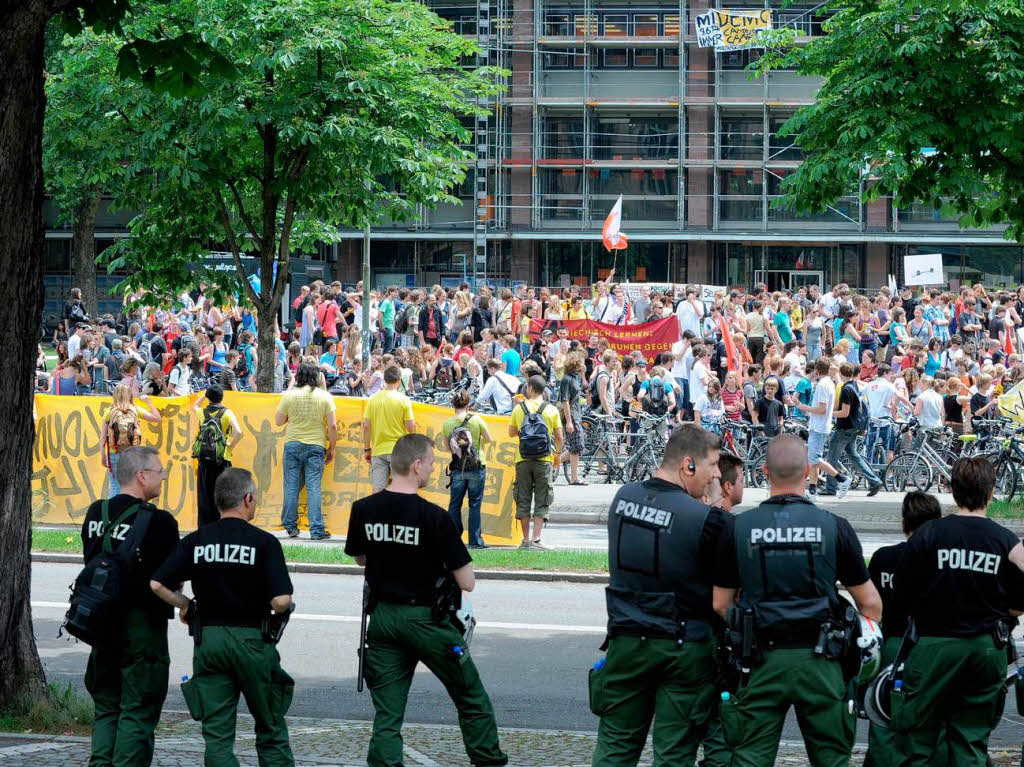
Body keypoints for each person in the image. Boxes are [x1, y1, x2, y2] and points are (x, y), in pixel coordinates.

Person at [712, 434, 882, 767]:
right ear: (808, 471)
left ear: (764, 471)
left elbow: (721, 603)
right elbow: (871, 605)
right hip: (822, 661)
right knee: (832, 758)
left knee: (748, 757)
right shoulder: (835, 527)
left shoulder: (738, 528)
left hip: (759, 659)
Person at [344, 434, 508, 767]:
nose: (434, 468)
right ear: (417, 466)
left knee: (388, 713)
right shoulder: (435, 518)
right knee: (470, 695)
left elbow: (361, 559)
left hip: (383, 620)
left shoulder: (363, 509)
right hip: (428, 621)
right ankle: (487, 759)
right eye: (432, 462)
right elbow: (468, 582)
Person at [590, 424, 727, 767]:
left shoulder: (623, 498)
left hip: (626, 642)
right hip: (682, 647)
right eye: (712, 466)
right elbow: (723, 594)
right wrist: (717, 503)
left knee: (615, 747)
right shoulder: (708, 519)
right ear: (688, 465)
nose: (715, 476)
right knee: (674, 752)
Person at [150, 468, 295, 767]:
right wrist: (277, 607)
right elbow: (282, 601)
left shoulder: (197, 540)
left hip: (210, 643)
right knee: (270, 726)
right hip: (253, 642)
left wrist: (186, 605)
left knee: (216, 734)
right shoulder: (264, 542)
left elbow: (157, 584)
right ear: (247, 498)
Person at [891, 458, 1024, 766]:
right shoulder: (1003, 539)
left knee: (917, 739)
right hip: (986, 648)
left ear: (952, 491)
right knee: (971, 738)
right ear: (992, 494)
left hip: (934, 644)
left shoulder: (930, 534)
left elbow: (902, 589)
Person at [80, 446, 181, 766]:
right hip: (143, 628)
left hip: (101, 624)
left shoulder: (97, 512)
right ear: (142, 476)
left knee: (107, 707)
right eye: (159, 472)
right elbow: (171, 581)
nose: (163, 478)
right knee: (138, 710)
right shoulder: (161, 522)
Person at [862, 491, 942, 767]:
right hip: (931, 646)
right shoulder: (941, 561)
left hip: (892, 645)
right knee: (930, 721)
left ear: (904, 522)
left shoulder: (884, 558)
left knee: (883, 716)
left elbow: (869, 606)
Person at [275, 361, 336, 540]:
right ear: (317, 377)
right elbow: (332, 425)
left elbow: (278, 421)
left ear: (298, 376)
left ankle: (290, 526)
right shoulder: (325, 397)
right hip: (316, 445)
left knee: (291, 487)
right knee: (314, 488)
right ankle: (317, 530)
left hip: (292, 444)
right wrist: (331, 447)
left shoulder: (290, 396)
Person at [509, 375, 563, 549]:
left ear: (530, 388)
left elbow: (511, 432)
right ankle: (537, 539)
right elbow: (560, 437)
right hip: (544, 459)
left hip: (522, 459)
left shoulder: (519, 409)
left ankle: (525, 540)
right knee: (542, 497)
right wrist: (558, 456)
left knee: (523, 497)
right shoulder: (551, 409)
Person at [823, 363, 883, 496]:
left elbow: (844, 412)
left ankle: (831, 488)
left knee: (832, 457)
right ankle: (874, 481)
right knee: (854, 456)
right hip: (853, 428)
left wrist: (828, 413)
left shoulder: (846, 390)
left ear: (841, 373)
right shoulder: (854, 385)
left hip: (844, 428)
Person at [796, 357, 851, 500]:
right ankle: (813, 491)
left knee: (814, 459)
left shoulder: (822, 385)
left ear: (816, 370)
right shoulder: (828, 383)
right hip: (819, 426)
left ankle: (842, 479)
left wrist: (805, 407)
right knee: (814, 460)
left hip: (819, 427)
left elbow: (822, 409)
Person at [443, 390, 491, 549]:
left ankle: (454, 538)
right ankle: (475, 541)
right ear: (468, 405)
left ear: (453, 406)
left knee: (454, 504)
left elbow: (447, 448)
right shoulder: (476, 420)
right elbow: (489, 439)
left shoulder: (448, 424)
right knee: (475, 504)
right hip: (476, 466)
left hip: (457, 468)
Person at [191, 384, 242, 527]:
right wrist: (230, 446)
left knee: (205, 496)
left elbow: (194, 406)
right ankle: (223, 526)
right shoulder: (227, 413)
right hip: (223, 459)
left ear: (208, 398)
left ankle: (205, 527)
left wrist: (203, 395)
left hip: (204, 460)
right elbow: (239, 432)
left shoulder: (202, 412)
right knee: (223, 495)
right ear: (222, 397)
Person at [363, 365, 416, 493]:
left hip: (378, 450)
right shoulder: (404, 400)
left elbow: (366, 426)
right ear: (398, 381)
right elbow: (410, 428)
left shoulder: (373, 399)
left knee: (378, 491)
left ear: (384, 380)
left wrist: (367, 448)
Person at [101, 384, 162, 496]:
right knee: (131, 485)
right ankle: (129, 510)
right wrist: (148, 401)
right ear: (129, 395)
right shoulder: (135, 410)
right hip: (131, 454)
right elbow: (157, 418)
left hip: (113, 452)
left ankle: (114, 512)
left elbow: (103, 436)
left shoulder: (109, 411)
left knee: (115, 485)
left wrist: (102, 455)